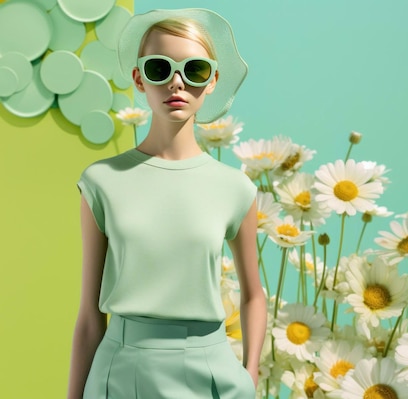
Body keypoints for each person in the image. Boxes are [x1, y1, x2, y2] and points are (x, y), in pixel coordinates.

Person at [67, 9, 266, 399]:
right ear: (139, 78)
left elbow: (253, 293)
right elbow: (91, 315)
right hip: (121, 370)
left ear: (212, 81)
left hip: (214, 372)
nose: (177, 83)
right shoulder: (101, 181)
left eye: (195, 70)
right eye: (160, 68)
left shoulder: (235, 188)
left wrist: (251, 374)